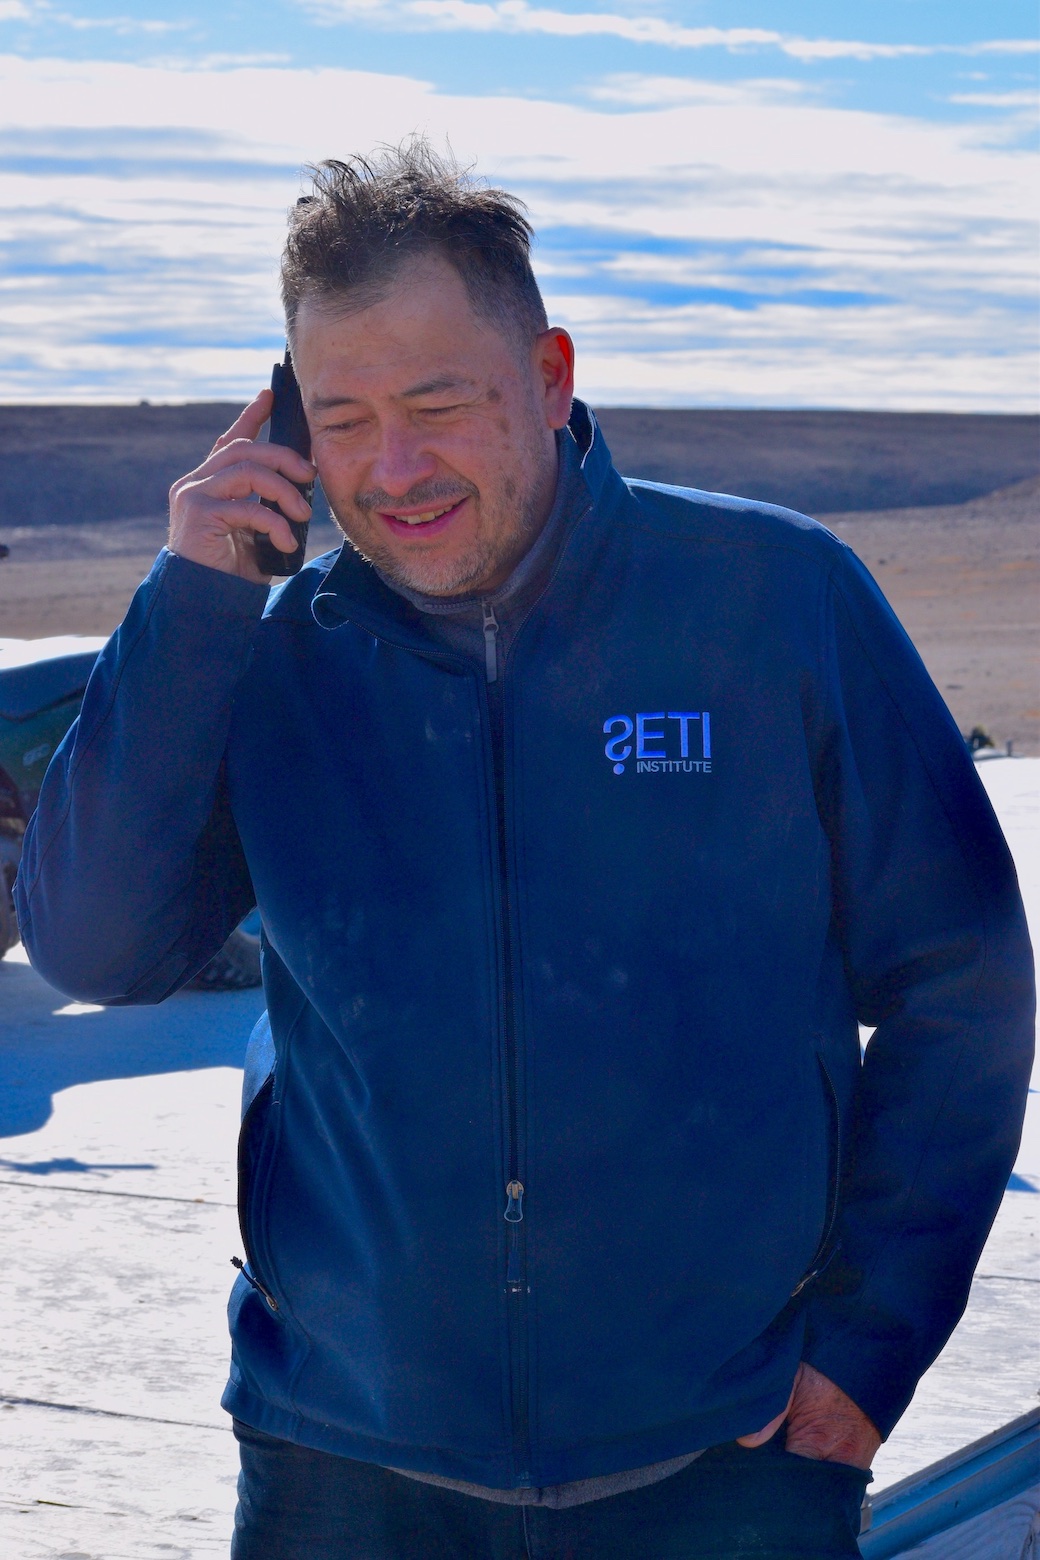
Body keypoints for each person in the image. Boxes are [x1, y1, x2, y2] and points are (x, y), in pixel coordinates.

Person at [17, 143, 1033, 1560]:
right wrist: (190, 603)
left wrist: (866, 1351)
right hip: (342, 1469)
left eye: (440, 404)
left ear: (551, 378)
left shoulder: (773, 600)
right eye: (346, 417)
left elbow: (961, 979)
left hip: (720, 1461)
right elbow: (91, 945)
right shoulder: (269, 660)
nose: (396, 468)